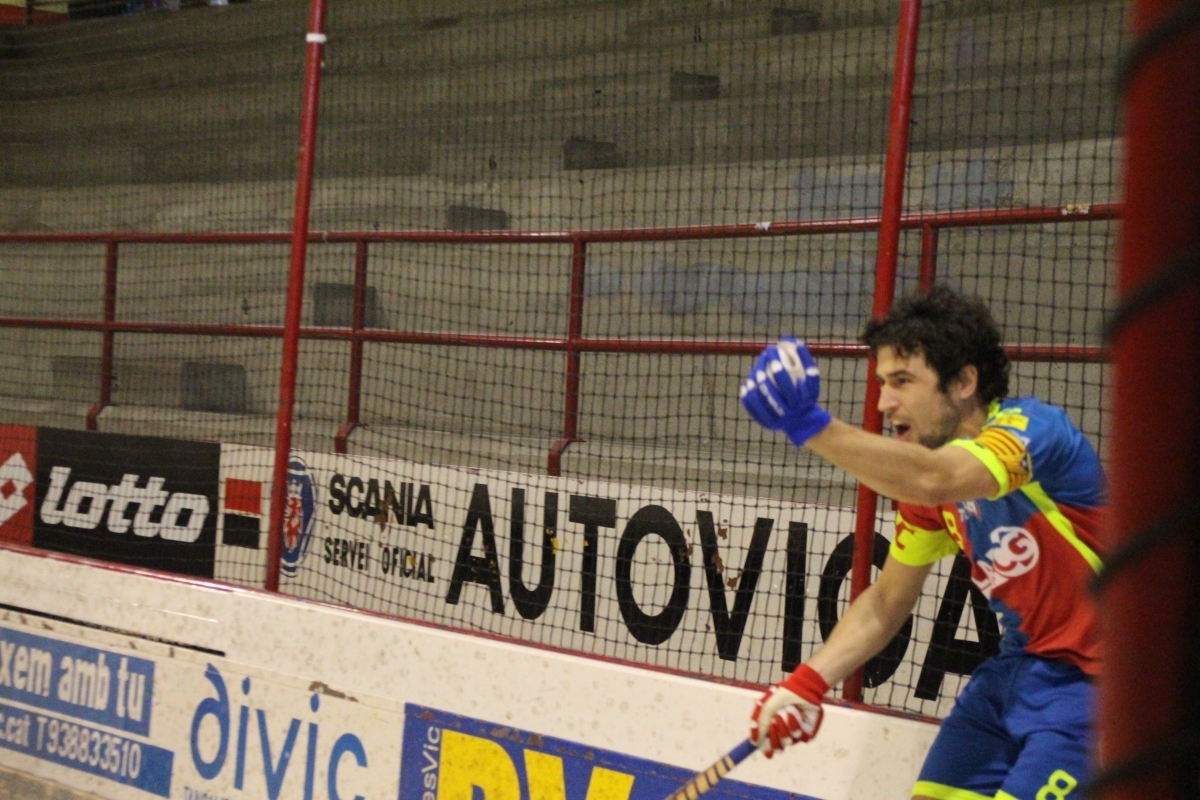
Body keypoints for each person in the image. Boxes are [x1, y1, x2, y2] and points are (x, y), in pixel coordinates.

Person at [739, 285, 1104, 800]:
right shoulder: (926, 495)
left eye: (902, 381)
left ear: (962, 382)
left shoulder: (1034, 430)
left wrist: (808, 425)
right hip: (1014, 673)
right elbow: (886, 604)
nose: (885, 402)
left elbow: (940, 477)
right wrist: (805, 683)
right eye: (883, 382)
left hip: (1098, 687)